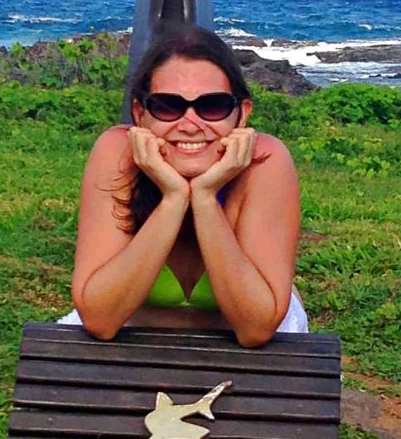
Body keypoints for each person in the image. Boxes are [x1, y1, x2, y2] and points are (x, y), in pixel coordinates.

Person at [58, 26, 307, 347]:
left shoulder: (265, 163)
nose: (190, 124)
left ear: (241, 114)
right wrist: (174, 199)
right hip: (131, 346)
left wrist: (204, 198)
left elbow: (255, 329)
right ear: (140, 114)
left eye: (212, 106)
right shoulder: (117, 155)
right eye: (168, 106)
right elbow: (100, 320)